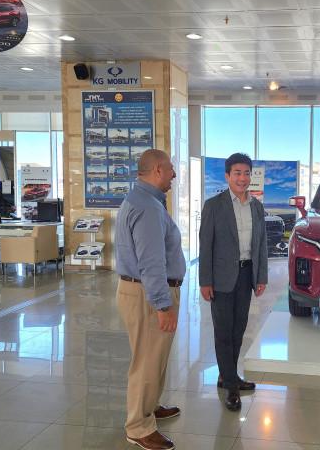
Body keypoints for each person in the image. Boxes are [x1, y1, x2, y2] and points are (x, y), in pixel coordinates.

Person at [115, 149, 186, 450]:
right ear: (157, 170)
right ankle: (139, 427)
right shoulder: (147, 208)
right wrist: (163, 305)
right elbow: (151, 262)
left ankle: (150, 406)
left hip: (141, 290)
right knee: (146, 361)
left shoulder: (143, 200)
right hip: (147, 293)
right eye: (170, 169)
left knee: (153, 357)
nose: (174, 174)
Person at [199, 152, 268, 411]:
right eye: (237, 173)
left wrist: (261, 276)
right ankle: (230, 386)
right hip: (221, 278)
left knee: (238, 329)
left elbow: (261, 244)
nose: (242, 178)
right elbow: (206, 245)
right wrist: (205, 281)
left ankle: (228, 375)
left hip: (246, 274)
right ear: (227, 176)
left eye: (246, 173)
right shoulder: (214, 206)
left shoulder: (256, 207)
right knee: (223, 331)